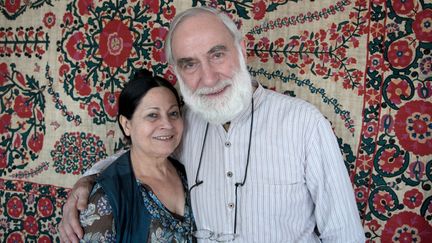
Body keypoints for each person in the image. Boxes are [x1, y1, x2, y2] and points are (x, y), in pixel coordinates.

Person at [60, 6, 365, 243]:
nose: (208, 78)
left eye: (217, 54)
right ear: (176, 72)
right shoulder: (181, 125)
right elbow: (141, 155)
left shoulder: (304, 124)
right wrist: (86, 182)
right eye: (190, 64)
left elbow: (344, 233)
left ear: (241, 50)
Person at [72, 69, 195, 242]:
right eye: (152, 115)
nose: (167, 124)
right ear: (126, 124)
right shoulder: (106, 196)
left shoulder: (188, 174)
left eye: (173, 113)